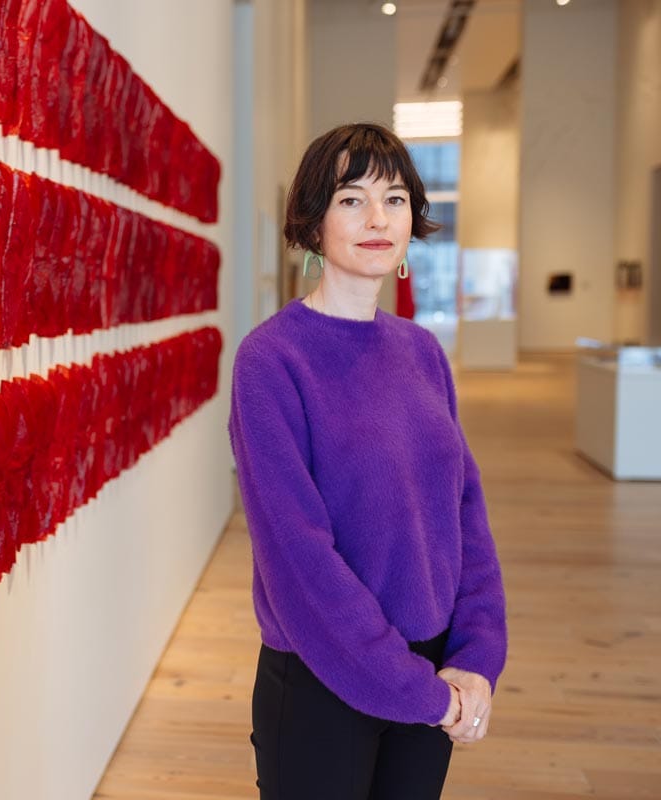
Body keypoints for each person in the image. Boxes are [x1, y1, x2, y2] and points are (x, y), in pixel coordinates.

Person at [227, 122, 507, 799]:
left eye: (395, 198)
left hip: (432, 676)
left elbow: (464, 516)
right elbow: (298, 556)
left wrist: (475, 659)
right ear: (313, 222)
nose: (378, 218)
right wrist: (418, 690)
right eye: (352, 199)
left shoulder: (422, 354)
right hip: (325, 680)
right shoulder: (271, 361)